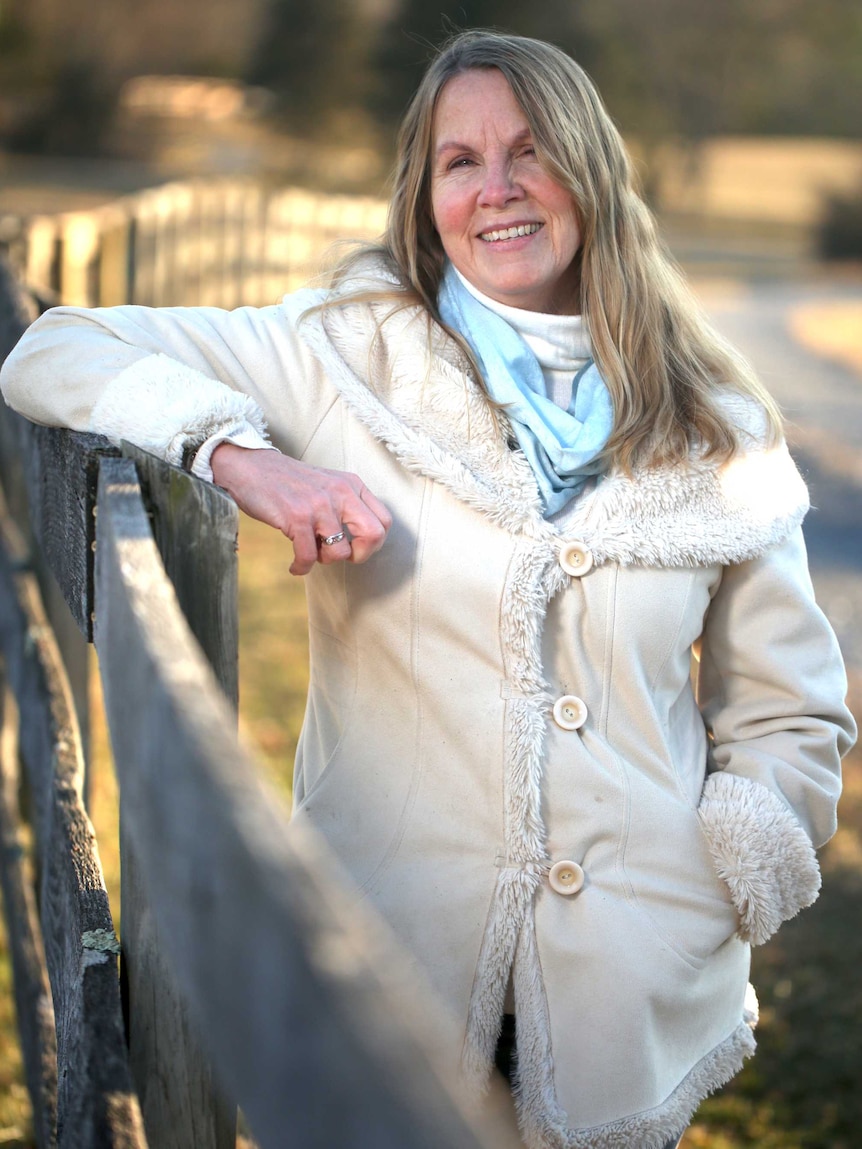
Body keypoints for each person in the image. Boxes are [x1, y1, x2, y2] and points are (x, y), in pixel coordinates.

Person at [1, 30, 855, 1149]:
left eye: (530, 152)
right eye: (461, 160)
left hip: (630, 993)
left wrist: (713, 887)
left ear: (588, 171)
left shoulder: (716, 426)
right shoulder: (346, 358)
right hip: (387, 962)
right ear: (425, 189)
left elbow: (788, 712)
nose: (496, 189)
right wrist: (240, 456)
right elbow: (55, 350)